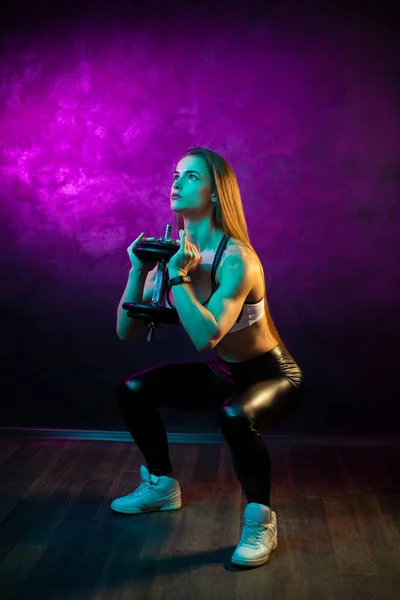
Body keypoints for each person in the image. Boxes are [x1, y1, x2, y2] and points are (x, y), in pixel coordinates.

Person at [112, 147, 305, 569]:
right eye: (176, 174)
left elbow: (205, 336)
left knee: (235, 416)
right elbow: (126, 330)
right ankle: (161, 485)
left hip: (274, 375)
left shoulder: (238, 260)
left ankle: (260, 520)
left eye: (192, 177)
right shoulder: (174, 256)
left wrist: (178, 276)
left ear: (216, 192)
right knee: (133, 391)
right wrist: (138, 271)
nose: (176, 183)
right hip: (227, 371)